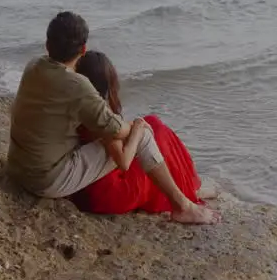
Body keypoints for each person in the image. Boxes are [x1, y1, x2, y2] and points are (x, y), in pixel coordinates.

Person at [6, 11, 217, 225]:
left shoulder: (34, 65)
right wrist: (137, 127)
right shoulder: (77, 86)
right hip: (45, 180)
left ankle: (188, 190)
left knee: (144, 129)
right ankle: (183, 206)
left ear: (47, 45)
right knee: (144, 133)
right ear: (83, 49)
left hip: (18, 167)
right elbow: (118, 132)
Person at [68, 50, 216, 215]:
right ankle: (188, 192)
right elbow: (123, 161)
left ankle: (188, 187)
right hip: (108, 196)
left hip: (84, 188)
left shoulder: (74, 107)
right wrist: (137, 132)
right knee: (155, 131)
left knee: (151, 124)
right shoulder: (101, 116)